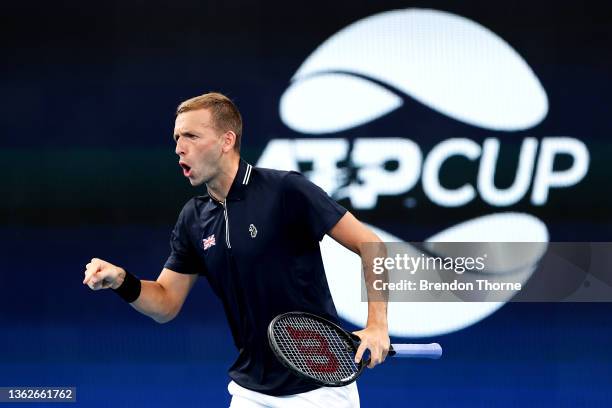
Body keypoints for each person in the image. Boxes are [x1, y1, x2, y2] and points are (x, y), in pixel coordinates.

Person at [83, 92, 389, 407]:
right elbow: (165, 303)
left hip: (319, 389)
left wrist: (377, 326)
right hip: (250, 392)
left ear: (227, 140)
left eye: (191, 135)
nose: (179, 148)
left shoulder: (286, 191)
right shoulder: (194, 218)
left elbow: (372, 246)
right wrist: (121, 281)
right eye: (177, 138)